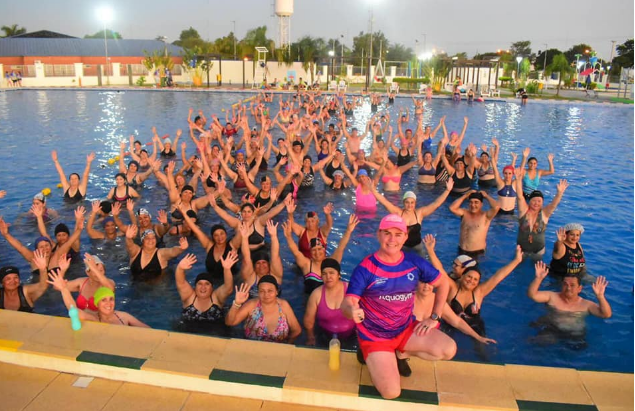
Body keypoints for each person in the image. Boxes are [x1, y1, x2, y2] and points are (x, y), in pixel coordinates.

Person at [341, 214, 455, 400]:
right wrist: (351, 311)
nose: (392, 239)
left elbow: (443, 284)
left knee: (448, 350)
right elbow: (347, 303)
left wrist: (434, 317)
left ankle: (401, 353)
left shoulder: (413, 262)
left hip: (405, 329)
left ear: (405, 237)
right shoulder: (366, 268)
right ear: (379, 234)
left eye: (398, 234)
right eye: (387, 233)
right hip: (375, 337)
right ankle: (369, 353)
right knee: (391, 393)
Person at [371, 179, 453, 255]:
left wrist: (447, 190)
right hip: (403, 247)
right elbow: (385, 202)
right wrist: (373, 191)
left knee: (421, 264)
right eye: (407, 202)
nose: (409, 205)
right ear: (403, 203)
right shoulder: (399, 213)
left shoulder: (419, 213)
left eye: (412, 202)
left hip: (417, 247)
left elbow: (436, 204)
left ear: (415, 203)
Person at [283, 214, 358, 294]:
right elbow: (295, 251)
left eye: (319, 249)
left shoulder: (332, 262)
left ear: (324, 249)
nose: (317, 252)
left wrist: (348, 231)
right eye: (314, 250)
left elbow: (341, 247)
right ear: (310, 252)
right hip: (311, 300)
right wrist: (288, 237)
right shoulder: (306, 264)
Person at [47, 271, 149, 327]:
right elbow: (74, 311)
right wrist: (64, 289)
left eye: (111, 299)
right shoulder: (94, 319)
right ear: (97, 304)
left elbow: (147, 329)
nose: (108, 303)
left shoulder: (124, 316)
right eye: (103, 300)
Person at [413, 281, 496, 345]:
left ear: (434, 284)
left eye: (430, 283)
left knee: (450, 348)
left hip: (429, 342)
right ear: (416, 282)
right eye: (423, 282)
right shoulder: (408, 299)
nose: (426, 286)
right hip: (410, 340)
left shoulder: (439, 302)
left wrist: (478, 337)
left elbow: (457, 322)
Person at [226, 275, 302, 343]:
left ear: (276, 292)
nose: (266, 294)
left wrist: (287, 345)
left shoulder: (283, 306)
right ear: (258, 293)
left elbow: (297, 330)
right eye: (262, 291)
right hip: (252, 348)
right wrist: (236, 303)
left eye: (270, 291)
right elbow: (230, 322)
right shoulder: (251, 305)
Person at [527, 261, 611, 321]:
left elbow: (606, 315)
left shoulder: (586, 305)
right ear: (561, 285)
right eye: (565, 284)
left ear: (579, 288)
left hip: (575, 334)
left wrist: (600, 296)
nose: (568, 288)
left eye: (572, 285)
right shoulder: (551, 296)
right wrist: (538, 279)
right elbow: (532, 295)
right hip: (551, 329)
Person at [515, 169, 568, 259]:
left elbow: (553, 204)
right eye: (534, 200)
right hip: (521, 249)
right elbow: (520, 196)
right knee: (517, 265)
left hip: (538, 250)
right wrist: (518, 180)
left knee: (538, 267)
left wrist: (559, 193)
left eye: (539, 201)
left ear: (542, 203)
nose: (536, 203)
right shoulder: (523, 211)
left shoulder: (544, 214)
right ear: (529, 201)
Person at [303, 258, 356, 345]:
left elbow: (363, 315)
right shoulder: (316, 294)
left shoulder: (351, 290)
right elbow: (309, 321)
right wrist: (310, 337)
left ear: (339, 275)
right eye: (324, 274)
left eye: (331, 273)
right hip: (325, 336)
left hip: (351, 335)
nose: (328, 277)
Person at [175, 252, 237, 325]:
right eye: (200, 284)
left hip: (215, 331)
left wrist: (227, 269)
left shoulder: (216, 297)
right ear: (195, 287)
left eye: (207, 284)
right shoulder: (189, 297)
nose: (203, 287)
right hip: (188, 330)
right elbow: (180, 283)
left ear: (212, 288)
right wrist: (180, 268)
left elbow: (228, 288)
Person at [449, 191, 500, 258]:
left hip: (477, 253)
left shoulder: (486, 216)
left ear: (481, 204)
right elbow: (452, 208)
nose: (473, 205)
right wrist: (465, 195)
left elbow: (496, 207)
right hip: (461, 250)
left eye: (476, 202)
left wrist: (486, 196)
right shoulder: (464, 213)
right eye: (471, 202)